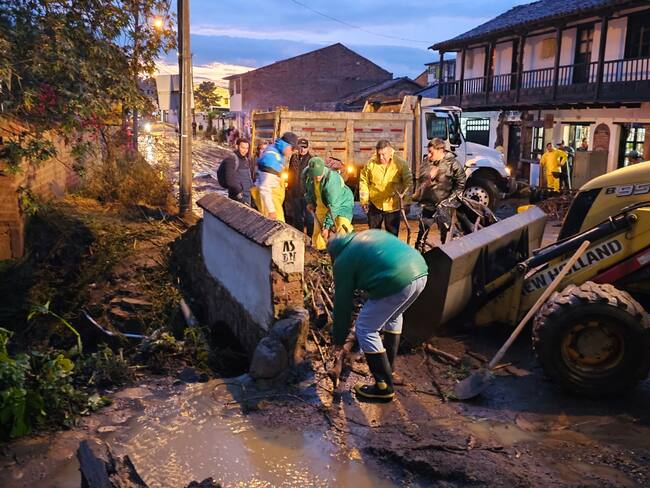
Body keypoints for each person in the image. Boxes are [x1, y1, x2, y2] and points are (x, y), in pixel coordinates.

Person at [327, 230, 428, 401]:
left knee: (365, 328)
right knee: (394, 316)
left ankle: (383, 386)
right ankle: (390, 369)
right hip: (420, 271)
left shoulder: (343, 260)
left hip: (397, 280)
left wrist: (338, 340)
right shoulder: (367, 235)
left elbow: (342, 305)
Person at [413, 138, 466, 248]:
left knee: (446, 235)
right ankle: (419, 255)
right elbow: (420, 181)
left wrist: (449, 201)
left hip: (445, 207)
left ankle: (447, 256)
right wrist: (429, 176)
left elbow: (460, 184)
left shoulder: (453, 164)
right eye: (428, 151)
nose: (428, 155)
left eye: (431, 152)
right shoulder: (426, 162)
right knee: (421, 234)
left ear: (440, 150)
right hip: (428, 205)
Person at [359, 140, 411, 236]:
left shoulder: (401, 164)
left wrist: (407, 202)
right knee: (374, 236)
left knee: (392, 236)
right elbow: (363, 182)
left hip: (393, 207)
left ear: (390, 152)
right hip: (375, 205)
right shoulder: (370, 164)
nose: (381, 157)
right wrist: (364, 201)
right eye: (379, 154)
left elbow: (408, 184)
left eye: (384, 154)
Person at [304, 157, 354, 250]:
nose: (317, 177)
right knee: (318, 233)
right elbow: (307, 189)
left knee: (341, 228)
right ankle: (319, 252)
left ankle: (345, 249)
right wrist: (310, 201)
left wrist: (326, 227)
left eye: (319, 174)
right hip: (322, 203)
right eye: (314, 175)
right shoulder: (307, 174)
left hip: (341, 204)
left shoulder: (332, 181)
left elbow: (333, 207)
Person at [251, 132, 298, 221]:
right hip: (269, 200)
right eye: (292, 148)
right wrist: (271, 210)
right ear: (286, 145)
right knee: (276, 228)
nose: (292, 151)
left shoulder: (278, 152)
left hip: (274, 198)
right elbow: (264, 187)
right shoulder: (271, 160)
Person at [284, 138, 313, 234]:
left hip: (307, 195)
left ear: (308, 148)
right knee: (297, 217)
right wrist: (289, 187)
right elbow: (290, 173)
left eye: (305, 147)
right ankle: (300, 237)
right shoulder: (294, 158)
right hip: (295, 192)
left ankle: (310, 238)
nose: (302, 149)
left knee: (309, 218)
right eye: (301, 147)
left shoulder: (311, 160)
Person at [218, 137, 253, 205]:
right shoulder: (232, 159)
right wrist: (238, 193)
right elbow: (229, 180)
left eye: (247, 148)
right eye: (243, 147)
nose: (245, 150)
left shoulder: (246, 160)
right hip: (238, 197)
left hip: (248, 194)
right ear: (237, 146)